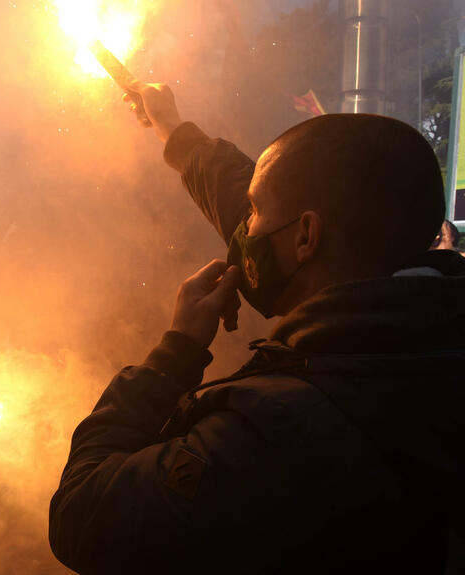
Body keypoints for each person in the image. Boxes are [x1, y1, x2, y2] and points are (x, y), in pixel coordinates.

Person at [49, 84, 465, 573]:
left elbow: (84, 515)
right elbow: (277, 202)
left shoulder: (278, 437)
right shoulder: (432, 334)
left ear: (305, 236)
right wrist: (177, 134)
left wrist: (176, 353)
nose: (245, 231)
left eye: (256, 212)